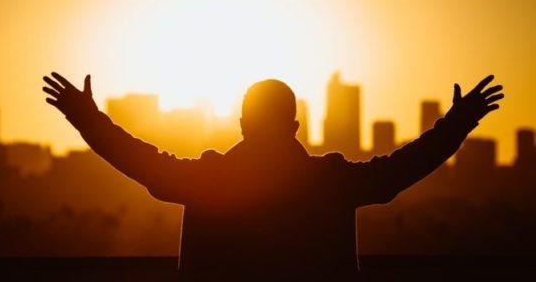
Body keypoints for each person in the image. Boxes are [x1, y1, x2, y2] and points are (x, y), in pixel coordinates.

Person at [42, 73, 503, 280]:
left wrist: (87, 119)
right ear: (295, 126)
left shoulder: (210, 179)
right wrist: (458, 123)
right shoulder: (329, 181)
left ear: (242, 124)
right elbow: (402, 169)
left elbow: (139, 159)